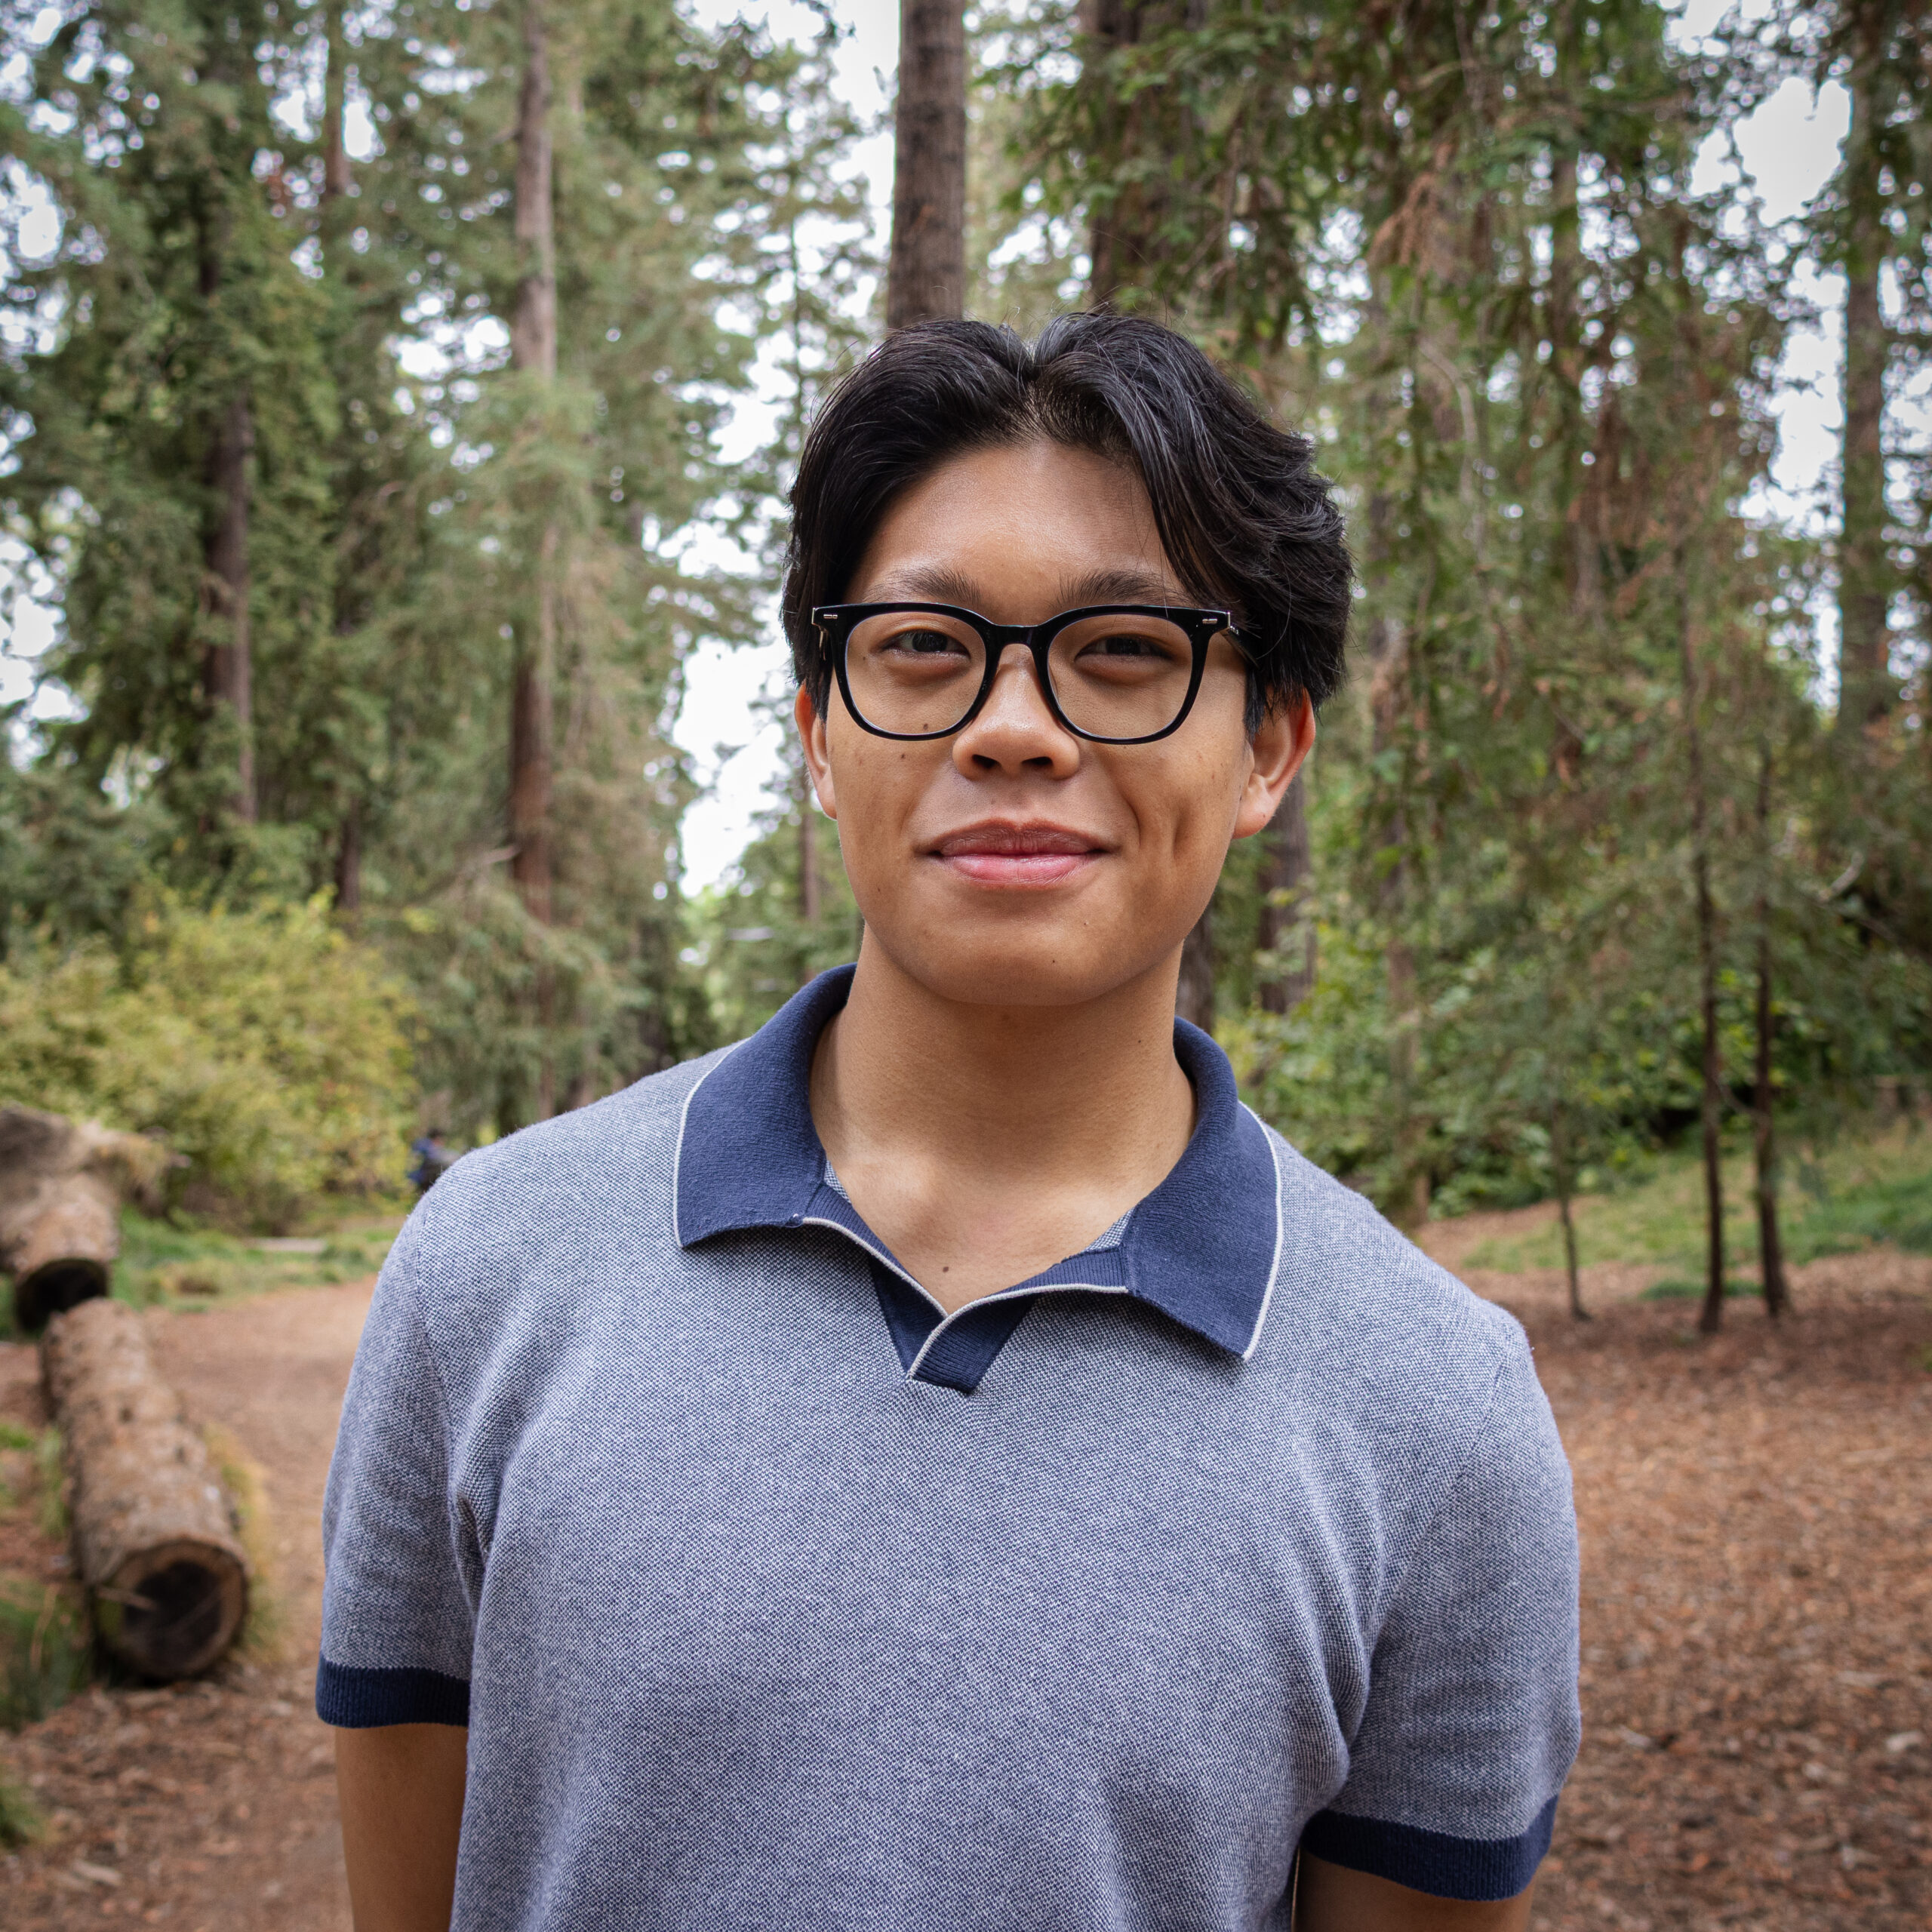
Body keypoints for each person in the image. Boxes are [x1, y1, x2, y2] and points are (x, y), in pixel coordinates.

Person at [319, 313, 1579, 1932]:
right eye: (923, 645)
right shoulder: (486, 1272)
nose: (1013, 725)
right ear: (817, 734)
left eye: (1124, 649)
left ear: (1266, 746)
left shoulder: (1438, 1413)